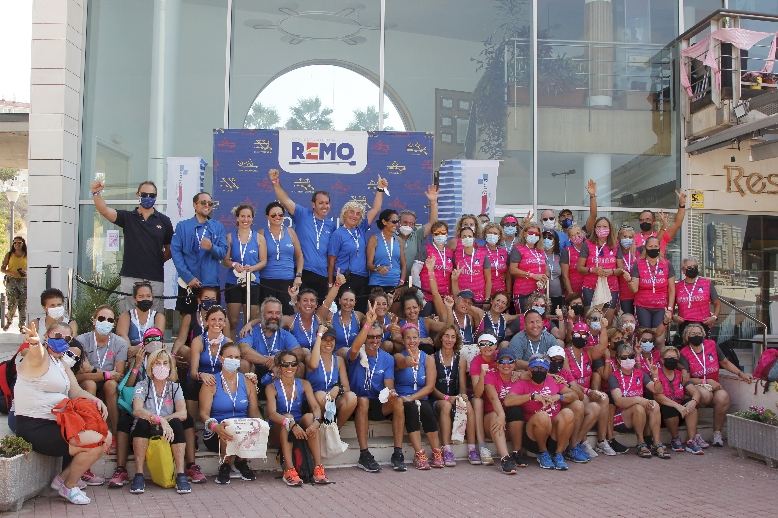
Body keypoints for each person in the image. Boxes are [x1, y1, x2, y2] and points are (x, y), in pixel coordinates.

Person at [15, 322, 109, 505]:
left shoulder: (61, 363)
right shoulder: (40, 358)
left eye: (67, 338)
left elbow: (75, 390)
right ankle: (69, 486)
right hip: (35, 425)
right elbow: (37, 355)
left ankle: (61, 480)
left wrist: (97, 400)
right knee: (96, 442)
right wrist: (34, 343)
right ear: (47, 336)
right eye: (57, 336)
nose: (62, 341)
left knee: (107, 437)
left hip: (58, 421)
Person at [91, 179, 173, 312]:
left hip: (155, 277)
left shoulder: (164, 221)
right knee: (127, 315)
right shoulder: (128, 217)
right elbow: (104, 210)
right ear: (138, 195)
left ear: (156, 197)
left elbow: (170, 249)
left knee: (155, 315)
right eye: (144, 194)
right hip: (130, 276)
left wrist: (156, 260)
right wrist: (96, 193)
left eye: (151, 195)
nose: (148, 198)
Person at [347, 314, 406, 473]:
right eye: (371, 337)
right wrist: (368, 324)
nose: (375, 340)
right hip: (357, 403)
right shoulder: (357, 353)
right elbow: (353, 349)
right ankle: (364, 454)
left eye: (378, 337)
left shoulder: (387, 358)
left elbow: (389, 385)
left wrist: (391, 393)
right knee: (363, 401)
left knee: (398, 402)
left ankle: (398, 453)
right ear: (365, 337)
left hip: (377, 402)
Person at [679, 323, 752, 448]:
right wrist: (706, 382)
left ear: (703, 335)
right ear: (687, 336)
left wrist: (741, 373)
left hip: (715, 385)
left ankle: (717, 433)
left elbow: (725, 363)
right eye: (693, 334)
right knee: (705, 395)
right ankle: (695, 434)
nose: (696, 335)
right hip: (697, 385)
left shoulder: (711, 345)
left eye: (699, 333)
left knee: (723, 397)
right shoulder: (684, 352)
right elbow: (685, 379)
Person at [129, 349, 192, 494]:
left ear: (170, 367)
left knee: (177, 423)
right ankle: (139, 475)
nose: (161, 366)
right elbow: (137, 410)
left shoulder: (175, 387)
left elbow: (183, 413)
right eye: (157, 363)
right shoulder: (142, 385)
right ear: (151, 366)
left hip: (167, 429)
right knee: (141, 423)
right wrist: (158, 419)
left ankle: (181, 474)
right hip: (146, 427)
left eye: (165, 363)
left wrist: (164, 420)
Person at [268, 168, 335, 300]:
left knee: (320, 310)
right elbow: (285, 201)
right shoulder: (302, 214)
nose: (324, 206)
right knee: (300, 307)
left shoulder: (331, 225)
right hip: (303, 272)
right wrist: (275, 182)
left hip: (323, 274)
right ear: (313, 204)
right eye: (321, 203)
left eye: (327, 203)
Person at [199, 343, 261, 484]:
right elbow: (203, 414)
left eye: (237, 357)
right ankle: (225, 465)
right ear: (221, 358)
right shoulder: (211, 382)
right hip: (217, 432)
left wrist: (260, 427)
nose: (234, 360)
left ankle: (241, 462)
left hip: (241, 430)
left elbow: (254, 413)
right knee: (227, 427)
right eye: (230, 357)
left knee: (253, 426)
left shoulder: (248, 382)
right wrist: (215, 427)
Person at [265, 351, 329, 486]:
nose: (290, 367)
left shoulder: (304, 384)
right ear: (279, 367)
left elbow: (316, 407)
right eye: (285, 364)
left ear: (297, 366)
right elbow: (272, 413)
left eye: (293, 364)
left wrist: (317, 421)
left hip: (299, 428)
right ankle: (289, 470)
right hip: (279, 429)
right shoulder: (271, 387)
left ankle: (318, 467)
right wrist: (291, 424)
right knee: (287, 418)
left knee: (310, 417)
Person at [504, 354, 576, 470]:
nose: (539, 371)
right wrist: (532, 396)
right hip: (534, 435)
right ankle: (543, 453)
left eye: (542, 369)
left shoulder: (552, 380)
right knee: (542, 416)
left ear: (547, 370)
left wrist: (558, 397)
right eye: (535, 368)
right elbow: (508, 401)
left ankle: (558, 454)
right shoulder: (522, 383)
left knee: (568, 413)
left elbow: (573, 395)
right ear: (529, 369)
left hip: (553, 433)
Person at [75, 305, 128, 460]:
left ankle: (116, 433)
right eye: (101, 318)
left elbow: (118, 375)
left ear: (114, 323)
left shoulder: (120, 343)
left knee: (111, 385)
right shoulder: (81, 341)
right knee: (89, 384)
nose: (106, 322)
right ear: (94, 320)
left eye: (110, 320)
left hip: (107, 383)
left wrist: (92, 370)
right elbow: (78, 376)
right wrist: (106, 374)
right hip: (87, 383)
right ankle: (91, 432)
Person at [327, 179, 389, 312]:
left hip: (362, 278)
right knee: (343, 311)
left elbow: (376, 209)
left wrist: (380, 189)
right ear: (344, 213)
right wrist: (330, 283)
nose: (354, 216)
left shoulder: (360, 229)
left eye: (358, 213)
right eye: (351, 212)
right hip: (344, 278)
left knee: (359, 312)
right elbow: (331, 261)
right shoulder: (338, 234)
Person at [394, 323, 444, 469]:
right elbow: (401, 363)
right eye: (408, 338)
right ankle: (419, 454)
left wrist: (412, 397)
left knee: (427, 410)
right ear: (403, 340)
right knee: (411, 409)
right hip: (403, 398)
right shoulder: (398, 355)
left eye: (415, 337)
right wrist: (407, 362)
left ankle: (436, 451)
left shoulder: (428, 358)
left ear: (419, 339)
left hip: (420, 397)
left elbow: (430, 387)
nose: (412, 341)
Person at [608, 342, 669, 459]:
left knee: (655, 404)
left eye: (631, 356)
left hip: (640, 416)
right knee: (638, 407)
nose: (628, 359)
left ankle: (657, 443)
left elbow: (657, 390)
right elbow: (619, 401)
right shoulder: (614, 376)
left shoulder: (640, 373)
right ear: (618, 360)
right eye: (624, 357)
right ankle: (641, 443)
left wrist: (655, 376)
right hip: (621, 417)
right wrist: (638, 400)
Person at [559, 330, 615, 456]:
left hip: (587, 392)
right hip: (575, 391)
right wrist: (587, 391)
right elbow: (569, 381)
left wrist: (603, 327)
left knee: (604, 397)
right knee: (587, 402)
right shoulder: (565, 354)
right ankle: (582, 441)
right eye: (577, 334)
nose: (581, 337)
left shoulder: (588, 351)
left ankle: (601, 441)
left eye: (584, 335)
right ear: (572, 335)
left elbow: (602, 346)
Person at [171, 191, 227, 315]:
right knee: (187, 319)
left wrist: (211, 247)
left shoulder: (218, 227)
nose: (207, 205)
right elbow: (176, 253)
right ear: (195, 205)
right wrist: (188, 277)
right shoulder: (182, 226)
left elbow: (223, 253)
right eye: (203, 202)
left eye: (210, 203)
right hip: (188, 283)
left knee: (212, 319)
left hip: (210, 284)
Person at [430, 324, 477, 466]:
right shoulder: (432, 358)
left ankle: (472, 449)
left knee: (468, 404)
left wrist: (462, 396)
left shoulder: (460, 359)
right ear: (441, 338)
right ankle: (447, 449)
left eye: (453, 337)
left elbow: (462, 386)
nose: (449, 340)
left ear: (456, 340)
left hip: (454, 398)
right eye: (446, 336)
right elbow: (431, 387)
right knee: (445, 405)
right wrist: (446, 398)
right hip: (437, 400)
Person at [647, 346, 704, 455]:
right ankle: (675, 439)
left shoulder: (680, 374)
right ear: (662, 360)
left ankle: (691, 441)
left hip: (681, 411)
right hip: (664, 414)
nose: (672, 360)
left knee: (692, 406)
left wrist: (694, 401)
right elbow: (658, 396)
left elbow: (695, 392)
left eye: (674, 358)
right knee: (669, 408)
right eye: (669, 358)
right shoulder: (656, 374)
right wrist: (677, 406)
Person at [482, 349, 531, 474]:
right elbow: (493, 398)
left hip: (510, 427)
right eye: (502, 361)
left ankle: (516, 452)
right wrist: (501, 415)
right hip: (492, 421)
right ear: (497, 364)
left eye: (510, 361)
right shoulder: (490, 376)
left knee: (516, 410)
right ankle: (505, 458)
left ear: (514, 364)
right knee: (496, 416)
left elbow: (537, 373)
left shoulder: (519, 376)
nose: (506, 365)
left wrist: (555, 377)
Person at [546, 345, 597, 462]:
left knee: (584, 406)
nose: (557, 362)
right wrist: (550, 376)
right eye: (554, 359)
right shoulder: (542, 370)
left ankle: (573, 447)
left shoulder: (565, 373)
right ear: (548, 359)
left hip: (564, 403)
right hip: (549, 407)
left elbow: (580, 395)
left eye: (560, 360)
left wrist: (566, 384)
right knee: (577, 406)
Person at [222, 204, 267, 335]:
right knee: (233, 320)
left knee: (250, 321)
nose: (245, 219)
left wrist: (252, 268)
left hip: (252, 282)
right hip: (233, 282)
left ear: (252, 219)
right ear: (237, 218)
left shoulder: (259, 238)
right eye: (242, 216)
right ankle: (230, 345)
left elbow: (263, 261)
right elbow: (225, 260)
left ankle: (247, 345)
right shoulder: (230, 237)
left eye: (248, 216)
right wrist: (234, 264)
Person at [187, 306, 232, 424]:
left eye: (220, 319)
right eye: (213, 319)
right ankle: (192, 425)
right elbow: (193, 372)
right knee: (191, 384)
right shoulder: (198, 341)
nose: (217, 323)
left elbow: (231, 370)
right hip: (201, 379)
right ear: (207, 321)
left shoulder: (228, 342)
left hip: (220, 380)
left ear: (225, 323)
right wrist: (202, 375)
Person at [306, 326, 357, 428]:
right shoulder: (309, 358)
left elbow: (346, 387)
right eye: (325, 340)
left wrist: (338, 388)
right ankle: (321, 427)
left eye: (331, 340)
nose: (328, 343)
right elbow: (314, 365)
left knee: (352, 397)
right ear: (319, 341)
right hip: (316, 403)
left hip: (332, 399)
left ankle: (335, 430)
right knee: (320, 395)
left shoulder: (339, 360)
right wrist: (319, 335)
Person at [238, 297, 301, 381]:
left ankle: (290, 389)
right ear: (262, 314)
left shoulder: (284, 334)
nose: (274, 316)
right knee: (243, 363)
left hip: (278, 370)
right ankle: (248, 389)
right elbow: (243, 350)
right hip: (255, 370)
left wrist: (278, 359)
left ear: (281, 315)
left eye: (277, 313)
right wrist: (268, 362)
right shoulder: (251, 330)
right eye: (270, 312)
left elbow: (299, 352)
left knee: (300, 366)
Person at [259, 201, 303, 316]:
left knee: (288, 315)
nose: (277, 217)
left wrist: (298, 276)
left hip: (287, 281)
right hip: (266, 281)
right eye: (273, 215)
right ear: (267, 216)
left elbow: (299, 256)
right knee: (268, 316)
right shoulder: (261, 233)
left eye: (280, 214)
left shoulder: (290, 232)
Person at [629, 236, 676, 329]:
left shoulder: (667, 264)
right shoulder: (638, 264)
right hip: (642, 305)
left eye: (655, 246)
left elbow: (671, 289)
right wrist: (629, 281)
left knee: (658, 335)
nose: (653, 248)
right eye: (650, 246)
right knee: (645, 333)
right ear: (645, 248)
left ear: (659, 248)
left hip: (661, 306)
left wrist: (670, 309)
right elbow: (634, 289)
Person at [576, 216, 622, 309]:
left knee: (607, 317)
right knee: (592, 316)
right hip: (590, 287)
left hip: (611, 287)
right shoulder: (587, 244)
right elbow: (579, 268)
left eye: (605, 227)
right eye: (599, 226)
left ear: (610, 229)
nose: (601, 229)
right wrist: (592, 270)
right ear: (594, 229)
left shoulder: (615, 244)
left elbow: (621, 269)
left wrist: (612, 272)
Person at [397, 185, 438, 288]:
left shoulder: (417, 235)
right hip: (395, 279)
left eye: (411, 223)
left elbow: (433, 223)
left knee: (411, 297)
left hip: (412, 279)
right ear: (398, 223)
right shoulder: (391, 236)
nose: (408, 225)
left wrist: (433, 202)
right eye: (405, 222)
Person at [469, 333, 499, 465]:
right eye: (483, 344)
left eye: (490, 343)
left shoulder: (501, 357)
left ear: (496, 346)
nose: (486, 347)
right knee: (477, 401)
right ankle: (482, 446)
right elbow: (477, 393)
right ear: (478, 347)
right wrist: (482, 375)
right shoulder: (476, 361)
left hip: (500, 400)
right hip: (486, 405)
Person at [673, 257, 720, 337]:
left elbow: (717, 303)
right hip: (684, 324)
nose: (692, 269)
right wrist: (673, 316)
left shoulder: (707, 283)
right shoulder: (677, 286)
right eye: (689, 267)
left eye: (694, 267)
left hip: (703, 324)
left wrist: (714, 317)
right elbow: (671, 305)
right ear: (683, 270)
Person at [115, 281, 166, 354]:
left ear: (152, 298)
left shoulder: (159, 317)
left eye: (148, 296)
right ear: (134, 299)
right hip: (130, 355)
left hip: (152, 355)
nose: (145, 299)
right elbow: (122, 338)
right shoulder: (125, 316)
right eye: (141, 296)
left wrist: (137, 349)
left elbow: (157, 340)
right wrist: (130, 350)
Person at [509, 222, 547, 312]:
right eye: (531, 233)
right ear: (524, 233)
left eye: (536, 234)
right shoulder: (517, 248)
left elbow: (545, 269)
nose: (533, 235)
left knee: (538, 317)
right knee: (523, 317)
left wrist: (544, 277)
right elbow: (512, 270)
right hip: (523, 292)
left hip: (539, 292)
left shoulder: (541, 250)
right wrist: (532, 275)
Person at [367, 208, 406, 292]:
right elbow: (369, 264)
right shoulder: (374, 239)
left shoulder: (399, 240)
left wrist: (401, 283)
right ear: (384, 222)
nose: (397, 224)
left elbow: (404, 265)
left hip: (395, 285)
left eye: (398, 222)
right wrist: (378, 268)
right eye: (394, 222)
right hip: (377, 283)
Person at [451, 226, 491, 305]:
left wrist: (487, 300)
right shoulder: (456, 255)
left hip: (479, 297)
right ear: (460, 239)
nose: (467, 238)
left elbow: (488, 279)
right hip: (462, 297)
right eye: (464, 236)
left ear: (473, 238)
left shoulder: (483, 255)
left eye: (470, 236)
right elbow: (453, 278)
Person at [420, 221, 454, 302]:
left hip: (445, 297)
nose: (440, 235)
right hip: (427, 297)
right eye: (436, 233)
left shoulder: (450, 252)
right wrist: (418, 293)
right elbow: (414, 271)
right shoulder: (425, 249)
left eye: (443, 233)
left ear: (447, 234)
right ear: (432, 235)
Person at [2, 236, 27, 331]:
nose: (17, 244)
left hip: (24, 281)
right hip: (11, 280)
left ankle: (22, 326)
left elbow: (32, 268)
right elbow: (2, 268)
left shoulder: (27, 254)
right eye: (15, 242)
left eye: (19, 242)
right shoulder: (9, 254)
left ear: (23, 243)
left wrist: (26, 272)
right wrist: (9, 273)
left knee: (22, 304)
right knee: (12, 303)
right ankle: (9, 321)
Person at [483, 223, 510, 300]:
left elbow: (508, 275)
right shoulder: (479, 251)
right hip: (485, 293)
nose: (492, 235)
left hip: (501, 293)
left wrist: (508, 292)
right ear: (485, 235)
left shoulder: (504, 252)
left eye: (495, 233)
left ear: (499, 236)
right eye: (490, 233)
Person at [616, 224, 637, 315]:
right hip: (623, 296)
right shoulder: (615, 254)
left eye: (630, 237)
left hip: (637, 294)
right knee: (627, 320)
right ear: (619, 238)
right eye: (624, 237)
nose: (627, 239)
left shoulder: (637, 253)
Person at [560, 224, 586, 297]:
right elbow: (565, 276)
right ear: (569, 238)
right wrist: (571, 294)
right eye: (573, 235)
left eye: (578, 233)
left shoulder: (590, 249)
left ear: (582, 233)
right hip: (574, 291)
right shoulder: (566, 251)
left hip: (589, 290)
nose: (576, 236)